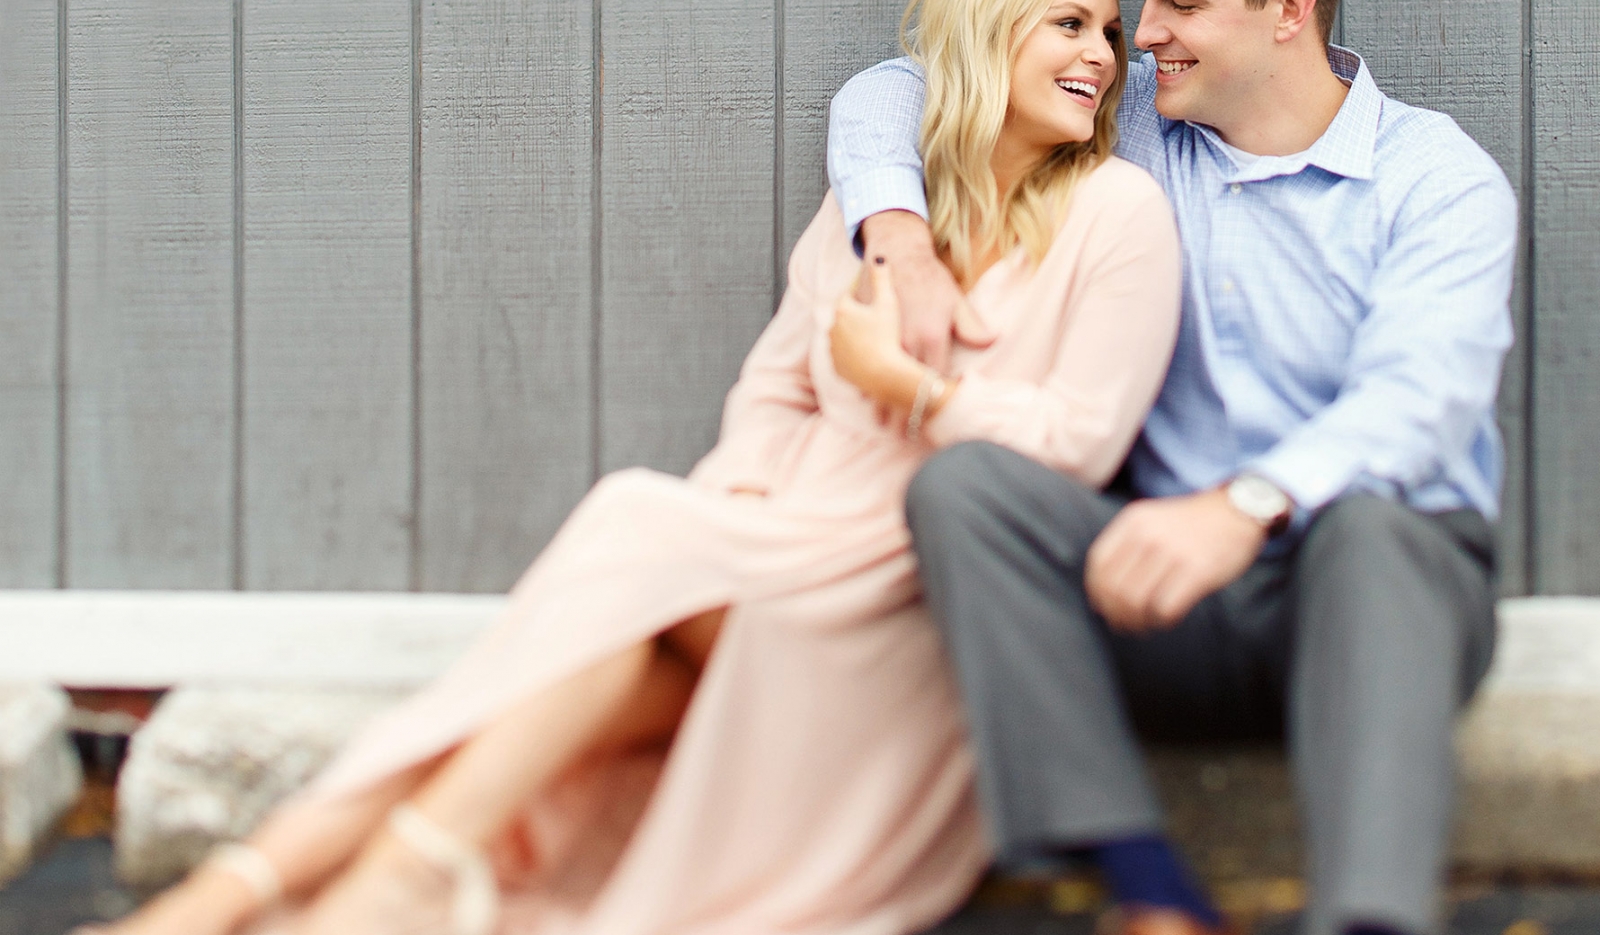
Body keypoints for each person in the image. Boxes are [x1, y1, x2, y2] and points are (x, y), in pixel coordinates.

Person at [85, 1, 1181, 933]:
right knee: (622, 591)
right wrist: (746, 499)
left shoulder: (1117, 212)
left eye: (1108, 32)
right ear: (985, 31)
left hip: (921, 573)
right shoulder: (881, 209)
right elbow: (774, 388)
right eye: (1067, 22)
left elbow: (1081, 441)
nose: (1100, 54)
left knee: (618, 558)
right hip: (785, 525)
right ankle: (301, 892)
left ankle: (266, 894)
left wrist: (909, 387)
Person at [827, 0, 1518, 934]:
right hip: (1169, 592)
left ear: (1289, 11)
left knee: (1371, 528)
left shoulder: (1434, 176)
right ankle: (1154, 891)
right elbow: (897, 89)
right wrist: (901, 239)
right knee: (966, 489)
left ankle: (1369, 919)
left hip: (1380, 604)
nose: (1145, 34)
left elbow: (1419, 400)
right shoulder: (1140, 128)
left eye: (1184, 6)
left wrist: (1242, 507)